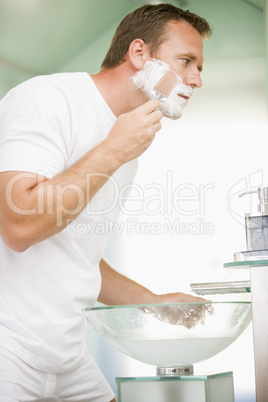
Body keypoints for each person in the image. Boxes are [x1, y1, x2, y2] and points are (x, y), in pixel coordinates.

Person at [0, 3, 211, 402]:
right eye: (186, 61)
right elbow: (19, 227)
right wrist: (114, 150)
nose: (197, 79)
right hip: (8, 350)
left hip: (66, 355)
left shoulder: (127, 141)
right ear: (139, 55)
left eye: (199, 67)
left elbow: (76, 255)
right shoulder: (46, 99)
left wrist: (155, 302)